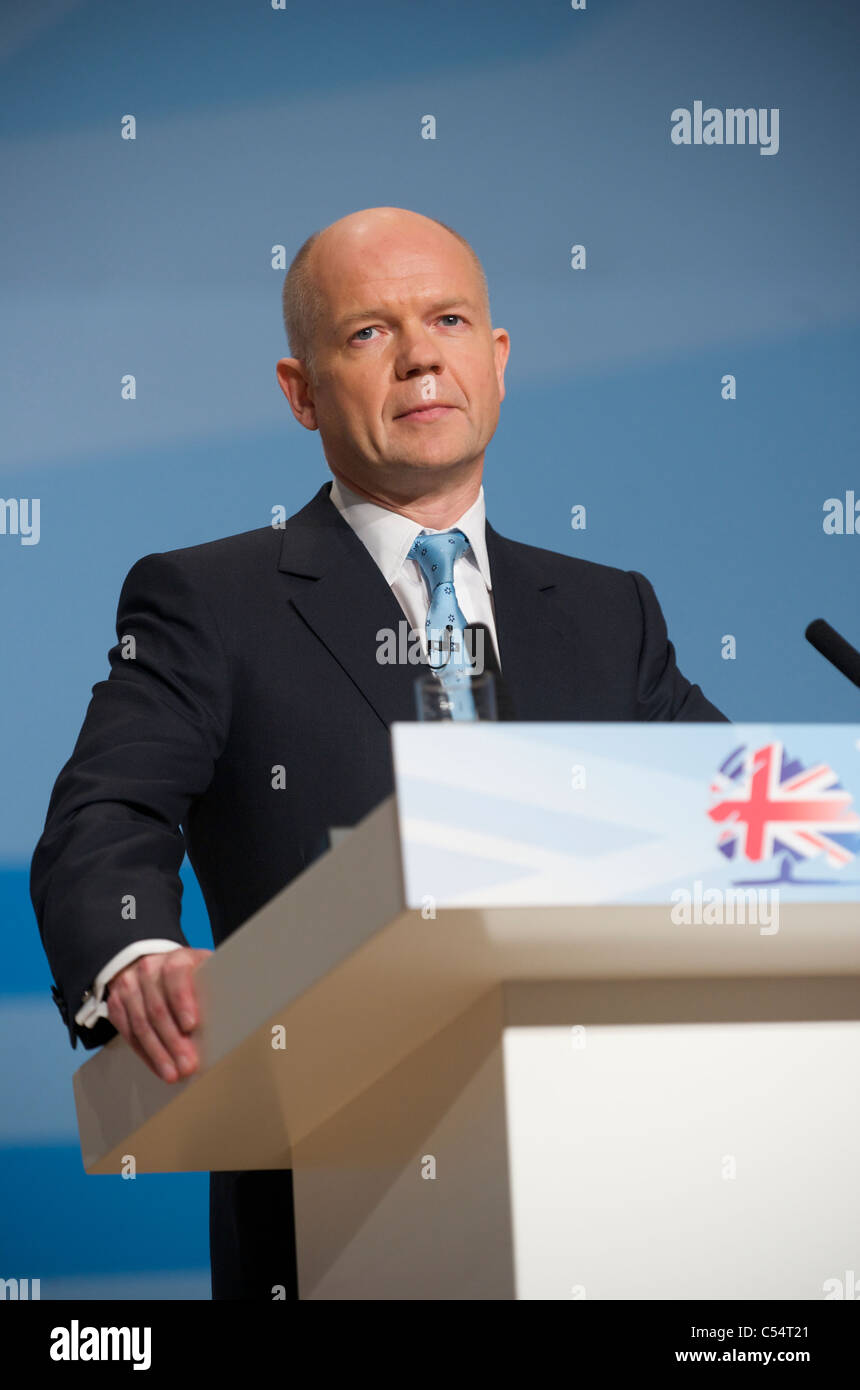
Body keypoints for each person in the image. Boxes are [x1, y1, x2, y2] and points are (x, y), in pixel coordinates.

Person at [30, 206, 728, 1301]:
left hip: (622, 1204)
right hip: (334, 1204)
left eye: (447, 318)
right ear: (298, 391)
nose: (417, 355)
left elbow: (737, 820)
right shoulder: (210, 598)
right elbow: (104, 815)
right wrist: (138, 958)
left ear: (495, 361)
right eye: (365, 332)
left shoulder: (607, 611)